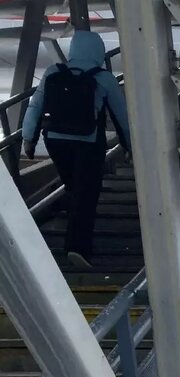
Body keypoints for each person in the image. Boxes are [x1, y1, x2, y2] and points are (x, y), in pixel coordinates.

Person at [21, 30, 131, 269]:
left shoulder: (53, 72)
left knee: (74, 186)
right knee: (86, 193)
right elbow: (121, 116)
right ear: (98, 51)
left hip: (55, 141)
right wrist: (129, 145)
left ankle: (64, 220)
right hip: (88, 142)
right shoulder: (104, 78)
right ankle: (77, 247)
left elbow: (35, 106)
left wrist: (28, 139)